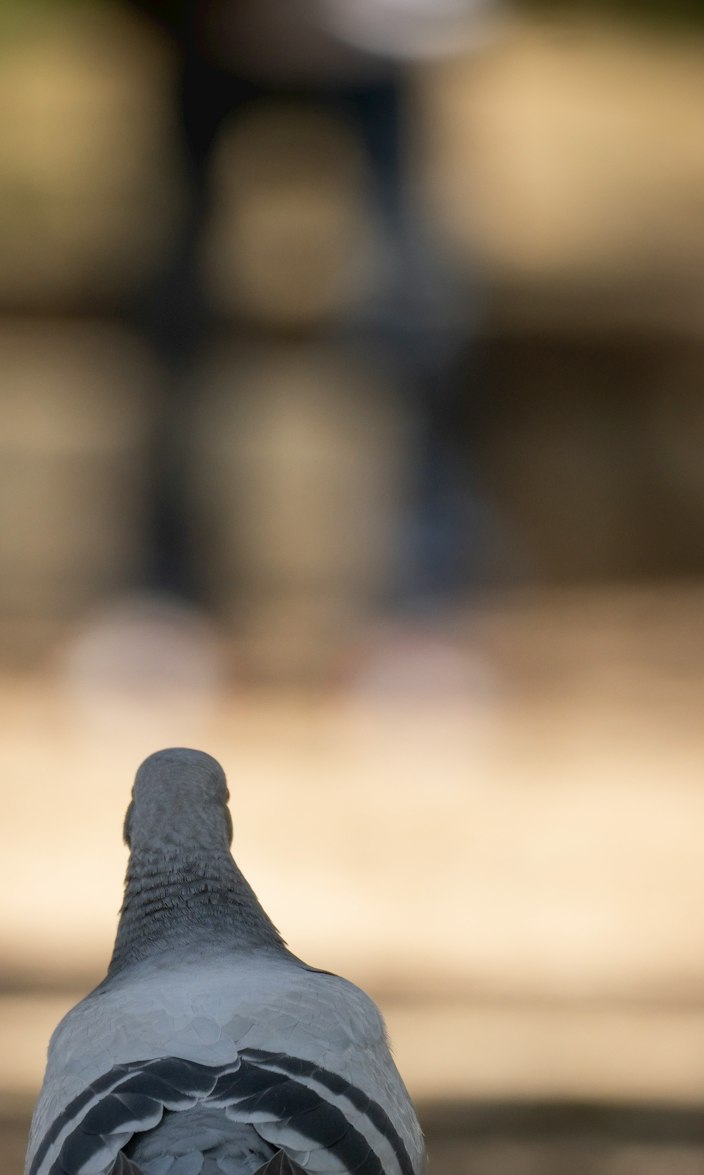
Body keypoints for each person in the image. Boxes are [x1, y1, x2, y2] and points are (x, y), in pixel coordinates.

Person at [66, 0, 497, 727]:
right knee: (175, 313)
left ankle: (422, 620)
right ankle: (159, 605)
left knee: (414, 318)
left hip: (387, 26)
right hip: (206, 24)